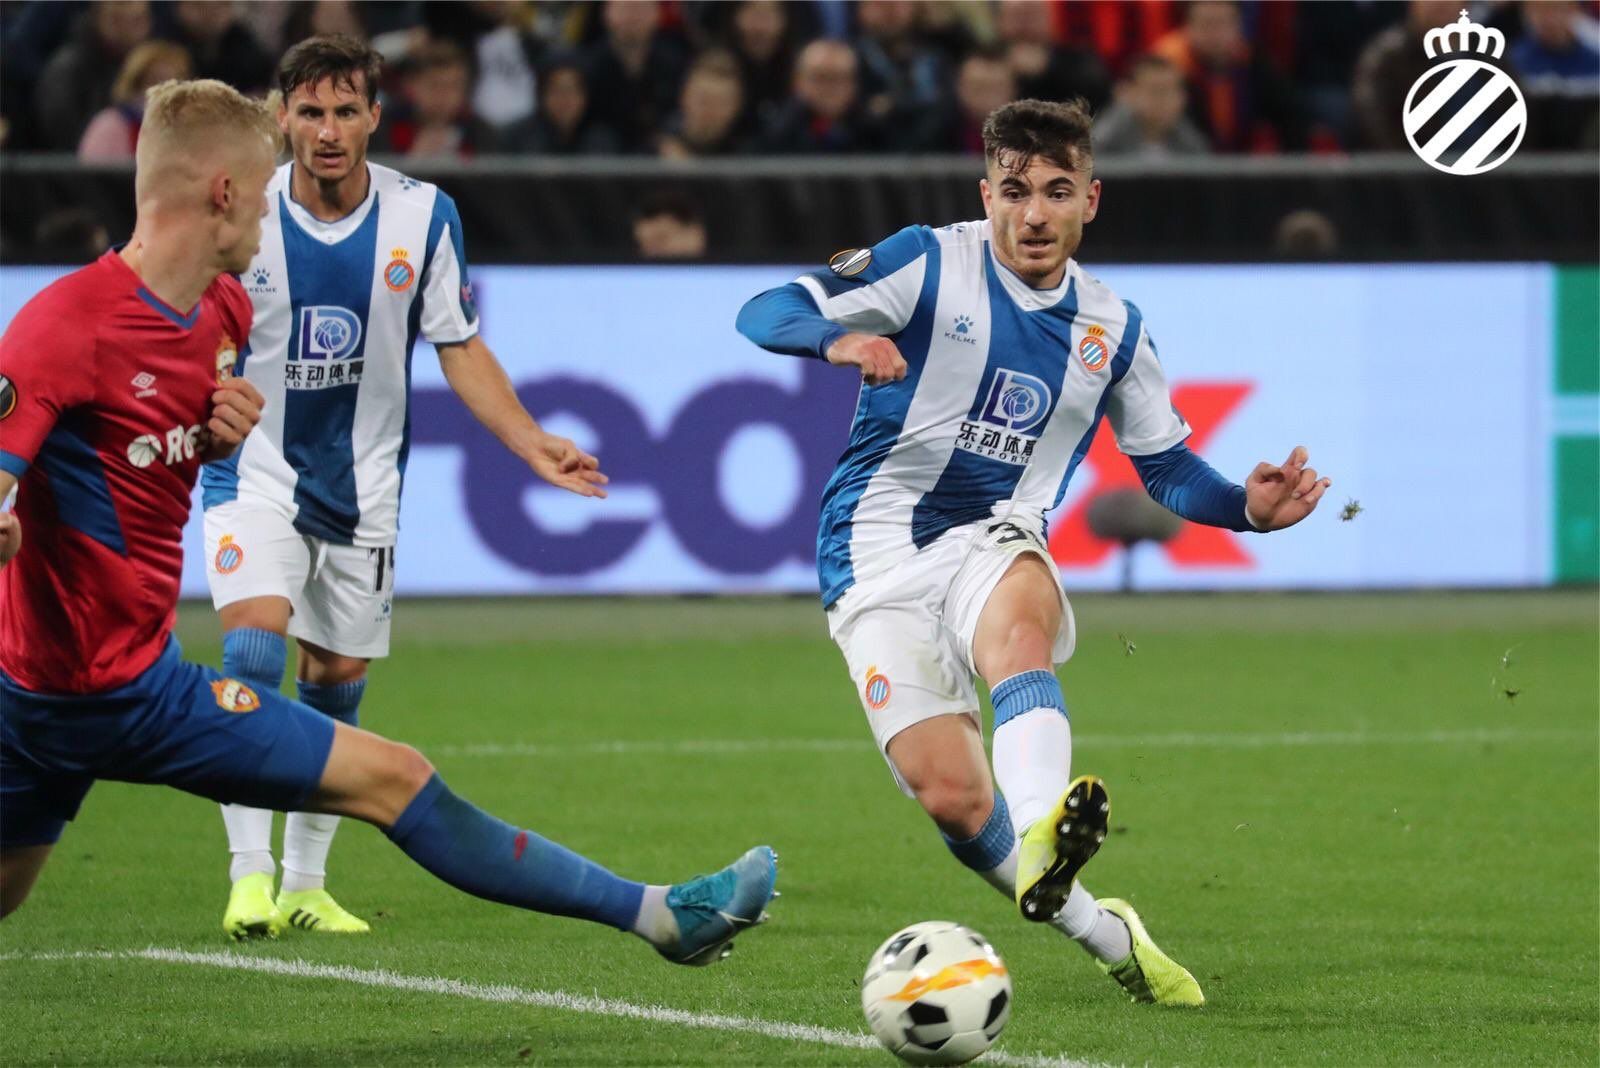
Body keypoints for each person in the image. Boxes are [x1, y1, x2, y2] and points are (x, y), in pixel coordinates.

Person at [0, 77, 777, 966]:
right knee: (396, 777)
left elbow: (131, 461)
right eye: (260, 192)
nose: (268, 213)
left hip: (99, 679)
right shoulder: (63, 327)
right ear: (222, 193)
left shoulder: (222, 310)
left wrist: (211, 445)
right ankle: (663, 919)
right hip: (91, 695)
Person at [736, 98, 1329, 1006]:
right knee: (955, 802)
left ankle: (1046, 822)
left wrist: (1244, 510)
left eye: (1058, 192)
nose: (1036, 214)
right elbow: (767, 307)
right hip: (873, 549)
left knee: (1019, 624)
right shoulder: (928, 261)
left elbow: (1164, 465)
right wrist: (840, 337)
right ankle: (1106, 931)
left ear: (1093, 198)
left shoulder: (1114, 330)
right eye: (1016, 192)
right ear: (988, 194)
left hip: (997, 535)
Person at [191, 33, 715, 941]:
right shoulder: (243, 212)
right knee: (250, 653)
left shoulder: (422, 214)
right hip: (255, 473)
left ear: (373, 118)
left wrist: (528, 441)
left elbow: (458, 343)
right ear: (281, 117)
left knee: (337, 680)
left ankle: (308, 884)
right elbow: (185, 317)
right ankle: (248, 878)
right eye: (309, 111)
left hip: (363, 487)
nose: (326, 130)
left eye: (345, 110)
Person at [78, 39, 194, 161]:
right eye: (156, 81)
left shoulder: (194, 128)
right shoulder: (110, 125)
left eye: (176, 82)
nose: (166, 90)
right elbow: (91, 175)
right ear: (136, 84)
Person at [1091, 53, 1211, 158]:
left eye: (1173, 91)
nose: (1166, 100)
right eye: (1156, 90)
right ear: (1128, 93)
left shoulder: (1192, 144)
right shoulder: (1101, 144)